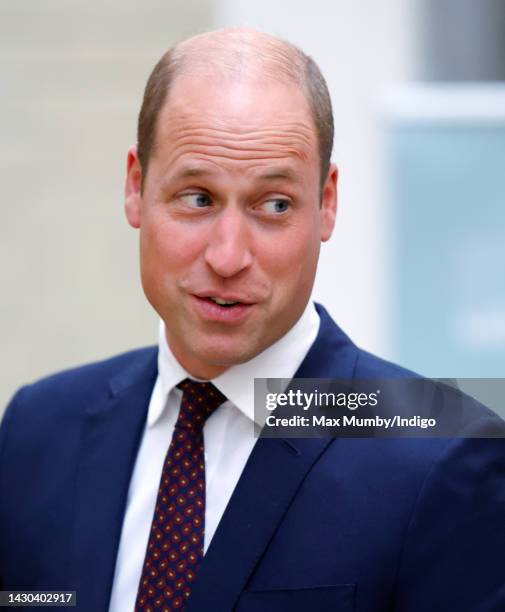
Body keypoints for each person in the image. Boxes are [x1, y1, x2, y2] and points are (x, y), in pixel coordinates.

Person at [0, 28, 504, 612]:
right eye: (197, 198)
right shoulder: (37, 429)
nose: (228, 256)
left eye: (275, 205)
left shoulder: (441, 450)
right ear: (136, 186)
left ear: (328, 202)